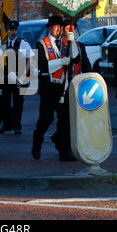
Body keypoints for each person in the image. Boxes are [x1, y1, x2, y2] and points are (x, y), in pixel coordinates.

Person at [32, 15, 81, 161]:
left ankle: (64, 151)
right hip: (49, 87)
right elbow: (41, 65)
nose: (59, 29)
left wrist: (72, 42)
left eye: (60, 26)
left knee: (65, 121)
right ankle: (37, 143)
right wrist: (60, 62)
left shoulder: (66, 43)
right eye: (56, 26)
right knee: (46, 119)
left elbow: (76, 59)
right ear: (49, 28)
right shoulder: (41, 44)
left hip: (64, 87)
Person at [0, 17, 33, 135]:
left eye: (15, 29)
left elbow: (30, 58)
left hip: (18, 77)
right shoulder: (1, 42)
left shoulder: (23, 43)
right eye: (11, 29)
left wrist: (24, 74)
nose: (13, 32)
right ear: (7, 30)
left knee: (18, 103)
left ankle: (17, 125)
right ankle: (6, 124)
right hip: (5, 78)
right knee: (4, 102)